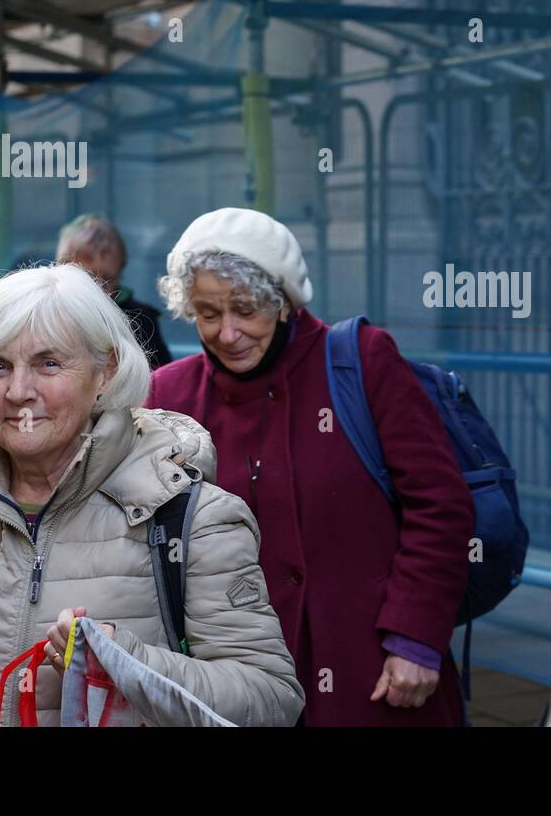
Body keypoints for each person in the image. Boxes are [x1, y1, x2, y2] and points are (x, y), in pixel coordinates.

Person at [0, 263, 304, 726]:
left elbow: (271, 700)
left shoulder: (193, 519)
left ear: (106, 372)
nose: (19, 391)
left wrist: (126, 663)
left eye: (49, 363)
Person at [145, 208, 474, 726]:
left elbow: (441, 504)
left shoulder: (361, 362)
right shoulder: (169, 392)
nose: (228, 333)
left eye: (245, 308)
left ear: (283, 303)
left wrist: (415, 637)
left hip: (371, 668)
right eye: (208, 313)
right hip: (232, 679)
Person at [57, 214, 172, 369]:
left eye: (107, 280)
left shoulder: (140, 320)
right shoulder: (48, 314)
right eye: (87, 278)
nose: (98, 289)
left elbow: (160, 380)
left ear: (120, 273)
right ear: (63, 270)